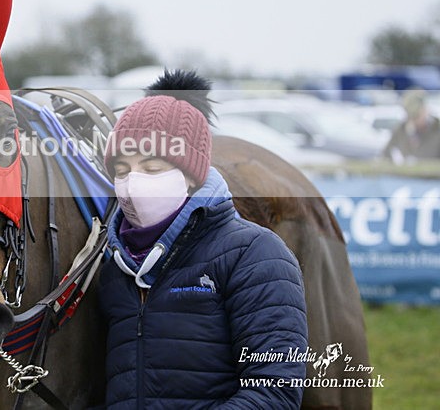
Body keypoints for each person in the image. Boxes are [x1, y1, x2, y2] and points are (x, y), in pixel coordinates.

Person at [98, 69, 308, 409]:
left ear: (191, 177)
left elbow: (276, 391)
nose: (132, 183)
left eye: (151, 168)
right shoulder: (113, 272)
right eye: (121, 171)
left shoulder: (257, 255)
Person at [383, 89, 440, 164]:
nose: (414, 121)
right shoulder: (401, 131)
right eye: (411, 117)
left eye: (416, 116)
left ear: (425, 110)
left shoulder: (437, 129)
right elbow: (385, 155)